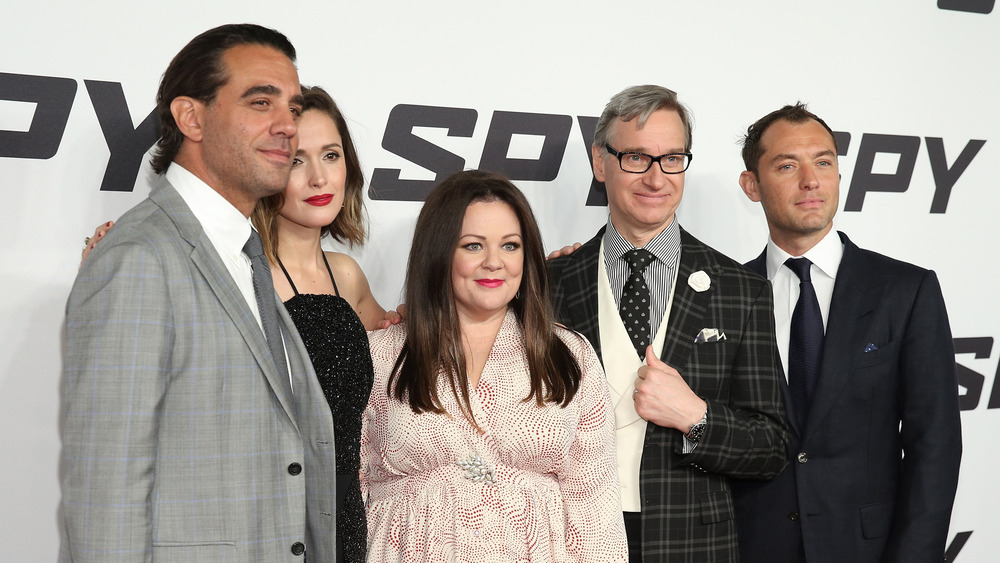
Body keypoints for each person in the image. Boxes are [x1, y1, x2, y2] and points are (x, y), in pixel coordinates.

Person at [61, 24, 337, 561]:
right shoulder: (140, 258)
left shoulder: (242, 252)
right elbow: (106, 490)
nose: (288, 126)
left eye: (294, 107)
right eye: (261, 101)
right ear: (191, 117)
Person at [545, 85, 790, 562]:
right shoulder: (545, 283)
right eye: (636, 157)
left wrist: (696, 418)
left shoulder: (741, 290)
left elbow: (771, 445)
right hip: (567, 535)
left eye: (672, 158)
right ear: (601, 163)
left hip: (691, 543)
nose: (656, 178)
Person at [731, 103, 962, 563]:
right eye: (786, 165)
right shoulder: (725, 293)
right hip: (753, 547)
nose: (810, 180)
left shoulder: (906, 290)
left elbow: (933, 446)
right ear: (752, 186)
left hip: (870, 550)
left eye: (823, 162)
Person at [361, 170, 628, 562]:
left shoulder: (569, 356)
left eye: (510, 245)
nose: (494, 263)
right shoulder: (380, 356)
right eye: (472, 246)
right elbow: (348, 492)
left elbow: (595, 509)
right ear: (438, 253)